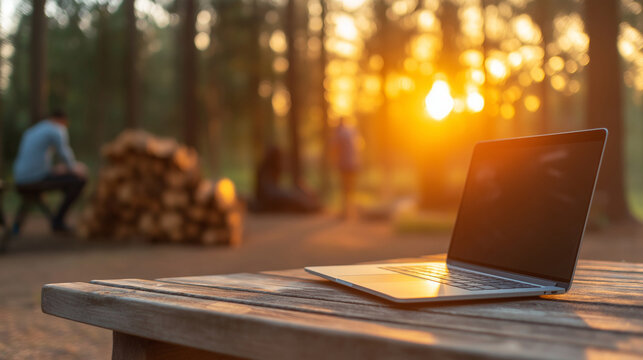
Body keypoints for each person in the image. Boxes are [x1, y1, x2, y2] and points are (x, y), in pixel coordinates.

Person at [13, 110, 87, 232]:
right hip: (35, 178)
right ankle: (58, 221)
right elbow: (64, 153)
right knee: (79, 180)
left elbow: (35, 159)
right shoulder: (55, 129)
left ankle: (55, 220)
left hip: (21, 178)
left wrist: (56, 170)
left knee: (67, 179)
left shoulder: (34, 130)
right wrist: (74, 168)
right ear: (61, 120)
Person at [333, 117, 360, 219]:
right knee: (351, 188)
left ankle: (345, 212)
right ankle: (352, 212)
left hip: (345, 164)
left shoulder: (340, 133)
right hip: (354, 164)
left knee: (345, 188)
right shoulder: (352, 131)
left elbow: (333, 146)